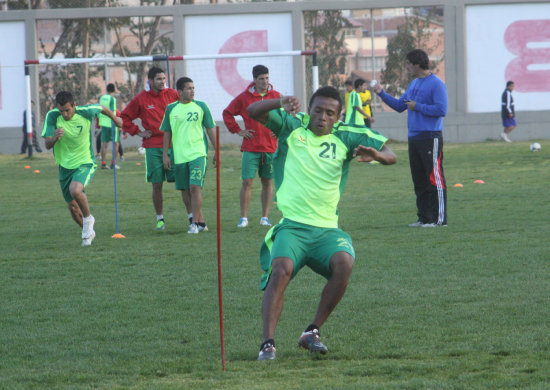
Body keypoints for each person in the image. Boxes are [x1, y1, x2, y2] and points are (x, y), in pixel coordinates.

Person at [246, 86, 397, 361]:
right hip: (292, 226)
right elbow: (253, 111)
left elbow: (392, 154)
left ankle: (312, 331)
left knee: (345, 262)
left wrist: (376, 156)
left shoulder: (348, 135)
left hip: (326, 229)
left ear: (338, 117)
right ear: (309, 110)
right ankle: (267, 343)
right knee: (281, 270)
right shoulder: (292, 127)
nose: (322, 118)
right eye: (317, 111)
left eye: (329, 113)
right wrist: (280, 101)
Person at [373, 48, 448, 227]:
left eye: (408, 64)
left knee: (434, 178)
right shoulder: (413, 84)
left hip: (430, 136)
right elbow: (400, 106)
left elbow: (441, 110)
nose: (406, 67)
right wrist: (381, 93)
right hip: (414, 137)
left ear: (417, 64)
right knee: (419, 180)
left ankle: (439, 220)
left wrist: (418, 106)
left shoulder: (436, 84)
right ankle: (424, 218)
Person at [42, 91, 122, 246]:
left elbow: (103, 108)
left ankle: (88, 219)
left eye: (67, 110)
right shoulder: (52, 116)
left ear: (74, 105)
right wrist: (54, 138)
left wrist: (116, 120)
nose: (64, 114)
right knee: (72, 208)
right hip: (65, 166)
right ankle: (88, 230)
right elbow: (47, 144)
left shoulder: (86, 112)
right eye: (61, 111)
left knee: (76, 190)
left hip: (85, 161)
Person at [121, 67, 191, 231]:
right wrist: (138, 132)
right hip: (153, 147)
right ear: (150, 81)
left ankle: (192, 217)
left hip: (175, 146)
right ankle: (160, 219)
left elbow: (187, 109)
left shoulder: (173, 94)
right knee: (157, 185)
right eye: (158, 79)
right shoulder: (141, 99)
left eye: (163, 78)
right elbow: (124, 117)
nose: (162, 82)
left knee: (183, 184)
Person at [222, 65, 280, 228]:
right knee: (247, 182)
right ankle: (244, 218)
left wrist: (281, 131)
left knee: (267, 182)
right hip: (251, 148)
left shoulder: (276, 96)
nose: (265, 81)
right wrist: (238, 130)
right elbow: (227, 113)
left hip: (270, 148)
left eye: (267, 78)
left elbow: (288, 115)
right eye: (261, 79)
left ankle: (265, 218)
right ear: (254, 80)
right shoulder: (244, 98)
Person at [160, 77, 217, 234]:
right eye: (188, 88)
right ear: (180, 92)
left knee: (194, 187)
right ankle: (196, 219)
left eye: (193, 88)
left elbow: (210, 128)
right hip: (179, 156)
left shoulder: (201, 106)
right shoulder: (171, 109)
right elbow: (167, 132)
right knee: (184, 189)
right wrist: (165, 155)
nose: (192, 91)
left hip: (198, 153)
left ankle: (195, 223)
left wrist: (217, 150)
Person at [99, 83, 120, 169]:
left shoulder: (102, 98)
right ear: (114, 90)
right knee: (116, 144)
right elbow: (111, 112)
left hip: (103, 123)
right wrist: (117, 122)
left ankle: (103, 163)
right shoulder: (112, 99)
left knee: (104, 144)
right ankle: (113, 163)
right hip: (111, 124)